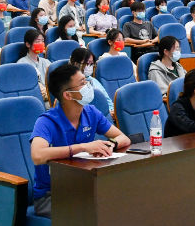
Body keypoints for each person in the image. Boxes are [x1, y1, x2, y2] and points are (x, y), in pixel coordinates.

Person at [30, 64, 131, 218]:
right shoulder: (47, 121)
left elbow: (123, 138)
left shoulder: (91, 112)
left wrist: (110, 145)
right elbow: (37, 155)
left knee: (125, 201)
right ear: (68, 95)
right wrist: (82, 147)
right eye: (83, 83)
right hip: (52, 195)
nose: (88, 86)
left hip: (83, 187)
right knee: (96, 214)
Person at [69, 48, 114, 116]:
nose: (90, 67)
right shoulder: (71, 85)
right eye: (87, 63)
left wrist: (112, 110)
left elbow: (106, 98)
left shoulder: (93, 80)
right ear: (76, 64)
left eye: (92, 64)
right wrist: (106, 113)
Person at [18, 29, 51, 108]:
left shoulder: (46, 62)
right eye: (37, 41)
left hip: (51, 98)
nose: (41, 44)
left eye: (42, 41)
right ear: (28, 44)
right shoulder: (22, 64)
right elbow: (35, 90)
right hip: (37, 102)